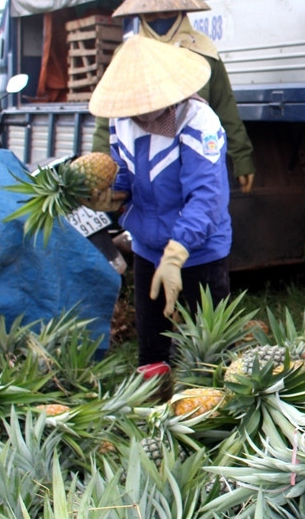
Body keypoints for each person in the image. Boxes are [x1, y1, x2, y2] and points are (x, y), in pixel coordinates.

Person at [87, 34, 232, 368]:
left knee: (211, 352)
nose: (138, 112)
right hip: (148, 248)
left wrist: (177, 253)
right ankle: (154, 408)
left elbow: (206, 198)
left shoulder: (199, 121)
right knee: (152, 348)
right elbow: (124, 171)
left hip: (200, 252)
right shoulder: (122, 119)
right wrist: (113, 196)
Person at [92, 0, 256, 193]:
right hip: (144, 167)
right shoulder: (128, 56)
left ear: (182, 12)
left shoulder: (202, 52)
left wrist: (241, 157)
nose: (160, 19)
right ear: (140, 16)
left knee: (197, 214)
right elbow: (108, 118)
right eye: (151, 14)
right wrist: (102, 166)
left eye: (167, 12)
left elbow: (224, 108)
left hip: (195, 160)